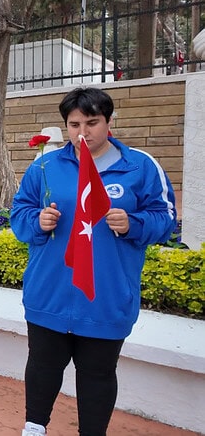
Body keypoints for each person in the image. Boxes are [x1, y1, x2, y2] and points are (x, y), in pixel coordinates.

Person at [11, 87, 177, 436]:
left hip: (106, 296)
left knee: (98, 374)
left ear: (109, 121)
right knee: (42, 365)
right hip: (50, 291)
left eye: (92, 123)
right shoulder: (44, 166)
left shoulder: (141, 167)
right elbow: (19, 214)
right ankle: (34, 426)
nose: (82, 133)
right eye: (74, 125)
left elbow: (165, 220)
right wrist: (36, 221)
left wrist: (135, 224)